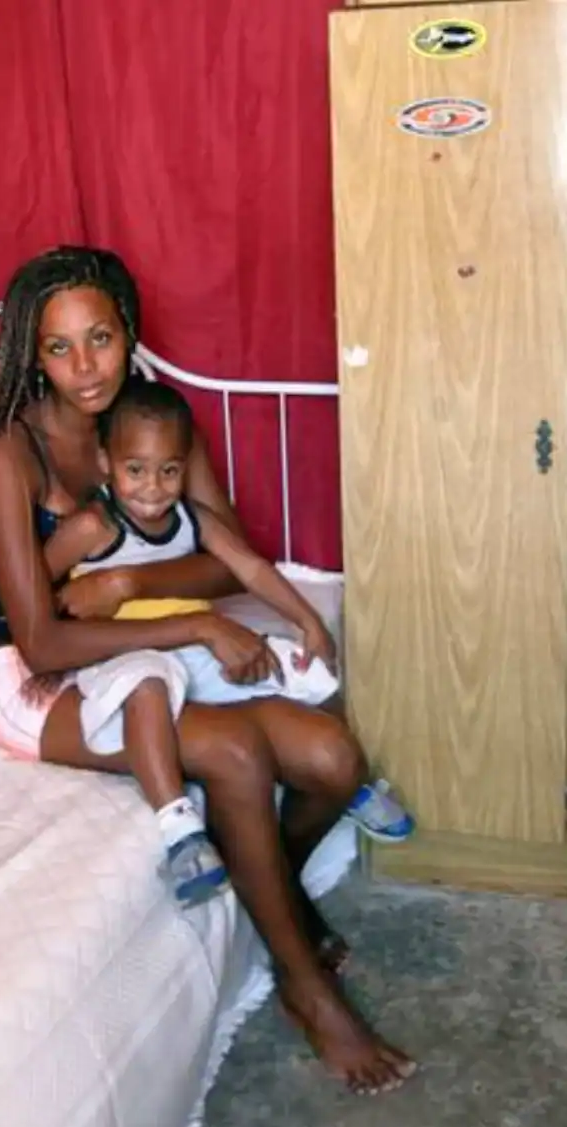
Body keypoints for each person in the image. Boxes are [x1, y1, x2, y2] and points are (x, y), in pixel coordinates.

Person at [0, 245, 415, 1093]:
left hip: (146, 645)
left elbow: (220, 556)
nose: (85, 366)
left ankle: (271, 891)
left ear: (128, 331)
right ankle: (306, 989)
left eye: (99, 338)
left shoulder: (156, 424)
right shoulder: (9, 455)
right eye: (59, 347)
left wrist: (126, 584)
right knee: (236, 752)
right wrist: (197, 625)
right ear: (32, 354)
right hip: (44, 683)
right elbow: (41, 641)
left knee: (332, 759)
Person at [42, 374, 347, 910]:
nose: (153, 488)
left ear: (186, 466)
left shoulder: (193, 519)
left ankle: (354, 788)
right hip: (123, 651)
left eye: (169, 470)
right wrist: (53, 622)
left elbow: (251, 569)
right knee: (148, 687)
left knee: (302, 668)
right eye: (136, 469)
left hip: (192, 647)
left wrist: (308, 621)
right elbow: (32, 586)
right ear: (106, 463)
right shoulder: (92, 526)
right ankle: (181, 830)